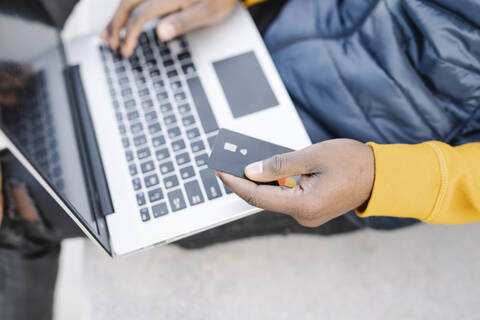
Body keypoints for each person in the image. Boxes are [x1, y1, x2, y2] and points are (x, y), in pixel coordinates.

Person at [1, 0, 479, 319]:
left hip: (361, 142)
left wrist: (385, 178)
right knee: (57, 68)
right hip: (282, 14)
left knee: (20, 199)